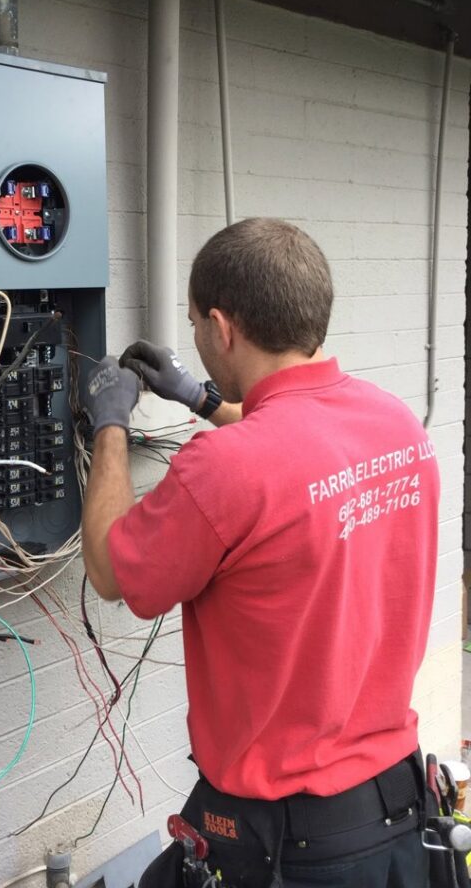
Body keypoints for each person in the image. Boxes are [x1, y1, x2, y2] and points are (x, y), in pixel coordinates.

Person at [81, 217, 439, 888]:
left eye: (194, 324)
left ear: (222, 328)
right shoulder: (394, 423)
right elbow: (292, 447)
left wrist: (109, 425)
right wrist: (199, 397)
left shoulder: (222, 469)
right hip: (395, 815)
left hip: (288, 847)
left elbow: (109, 571)